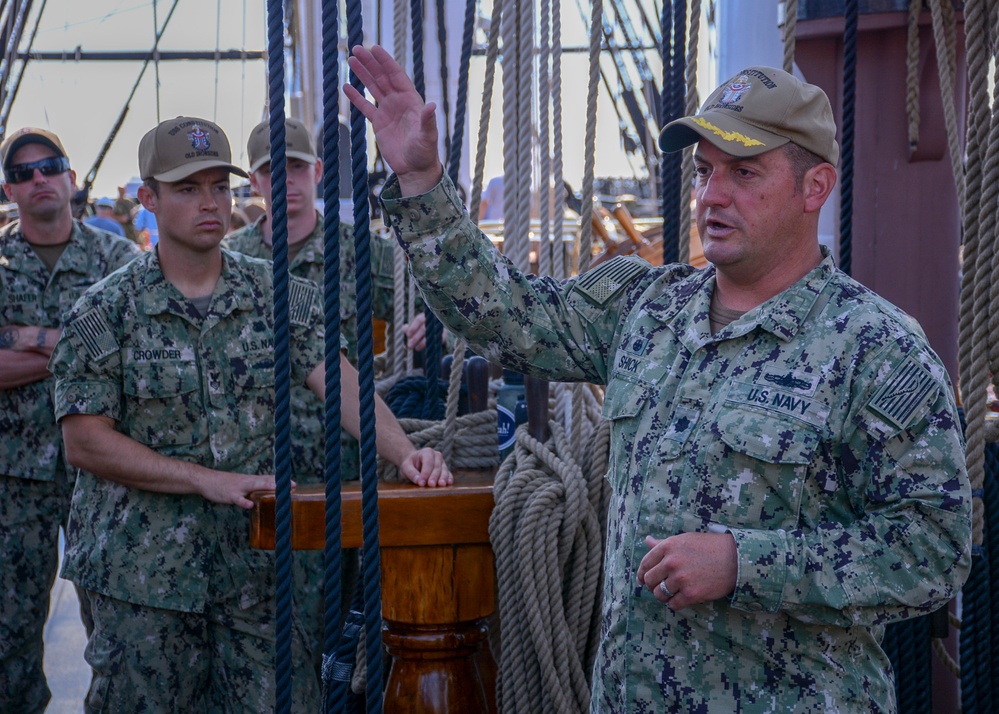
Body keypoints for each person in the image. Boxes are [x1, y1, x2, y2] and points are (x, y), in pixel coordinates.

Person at [346, 47, 972, 712]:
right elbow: (502, 315)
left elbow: (933, 550)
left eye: (744, 171)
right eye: (704, 172)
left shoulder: (874, 348)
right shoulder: (647, 308)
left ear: (813, 187)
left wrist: (741, 564)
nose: (711, 195)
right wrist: (422, 182)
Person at [48, 115, 451, 712]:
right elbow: (84, 442)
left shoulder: (281, 295)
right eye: (187, 189)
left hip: (259, 579)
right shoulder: (105, 310)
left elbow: (339, 383)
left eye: (219, 186)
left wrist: (404, 450)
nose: (209, 203)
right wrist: (207, 481)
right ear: (148, 198)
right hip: (144, 586)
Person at [222, 115, 427, 670]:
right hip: (255, 481)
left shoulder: (360, 253)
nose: (285, 181)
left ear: (315, 171)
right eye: (271, 171)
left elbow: (430, 302)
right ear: (256, 183)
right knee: (258, 636)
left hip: (341, 476)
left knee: (335, 636)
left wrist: (428, 326)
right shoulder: (229, 261)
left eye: (295, 167)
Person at [0, 126, 142, 713]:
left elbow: (133, 354)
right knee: (7, 633)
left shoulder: (118, 261)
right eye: (23, 173)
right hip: (14, 480)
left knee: (118, 631)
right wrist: (74, 346)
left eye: (49, 166)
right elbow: (99, 352)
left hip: (103, 473)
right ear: (9, 189)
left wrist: (26, 341)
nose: (38, 179)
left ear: (71, 177)